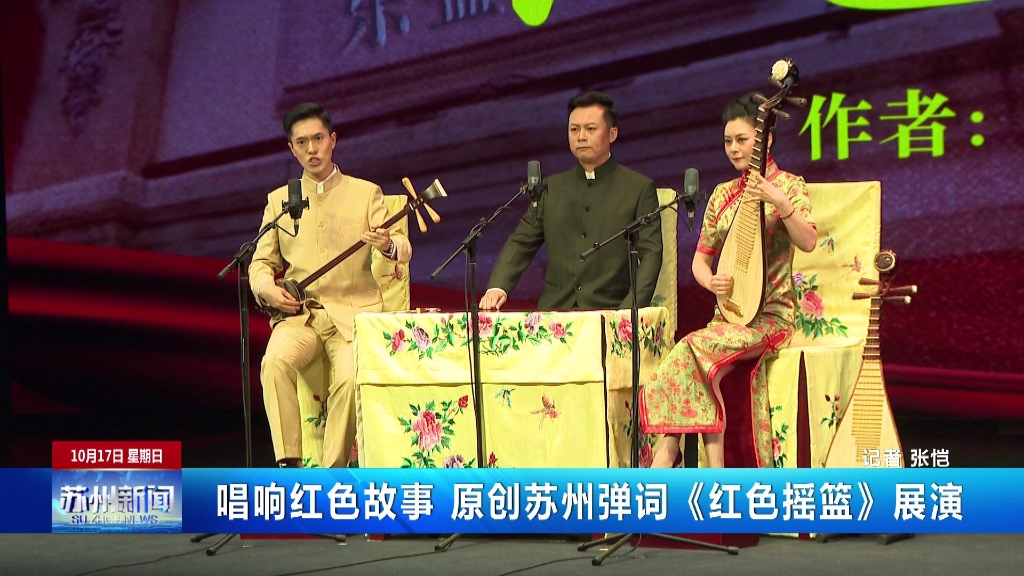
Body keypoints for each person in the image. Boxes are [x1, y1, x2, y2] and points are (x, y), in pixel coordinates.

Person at [639, 95, 817, 468]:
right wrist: (711, 282)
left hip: (770, 318)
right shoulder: (722, 194)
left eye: (742, 139)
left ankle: (671, 454)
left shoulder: (789, 185)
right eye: (728, 141)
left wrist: (780, 202)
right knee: (690, 354)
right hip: (729, 315)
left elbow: (808, 241)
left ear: (765, 139)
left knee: (693, 348)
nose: (734, 148)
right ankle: (702, 465)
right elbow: (700, 261)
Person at [249, 102, 412, 468]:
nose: (312, 149)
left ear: (333, 140)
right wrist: (266, 288)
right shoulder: (279, 201)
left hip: (353, 317)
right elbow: (260, 262)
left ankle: (330, 473)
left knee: (352, 378)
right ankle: (289, 464)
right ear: (292, 149)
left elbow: (403, 247)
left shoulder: (365, 193)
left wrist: (387, 243)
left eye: (319, 139)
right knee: (273, 362)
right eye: (302, 142)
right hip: (302, 316)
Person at [480, 92, 663, 311]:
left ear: (612, 134)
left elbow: (651, 255)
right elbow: (522, 241)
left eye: (590, 129)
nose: (581, 137)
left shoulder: (638, 188)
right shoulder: (551, 188)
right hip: (554, 313)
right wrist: (497, 287)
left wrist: (625, 314)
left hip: (610, 311)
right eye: (574, 129)